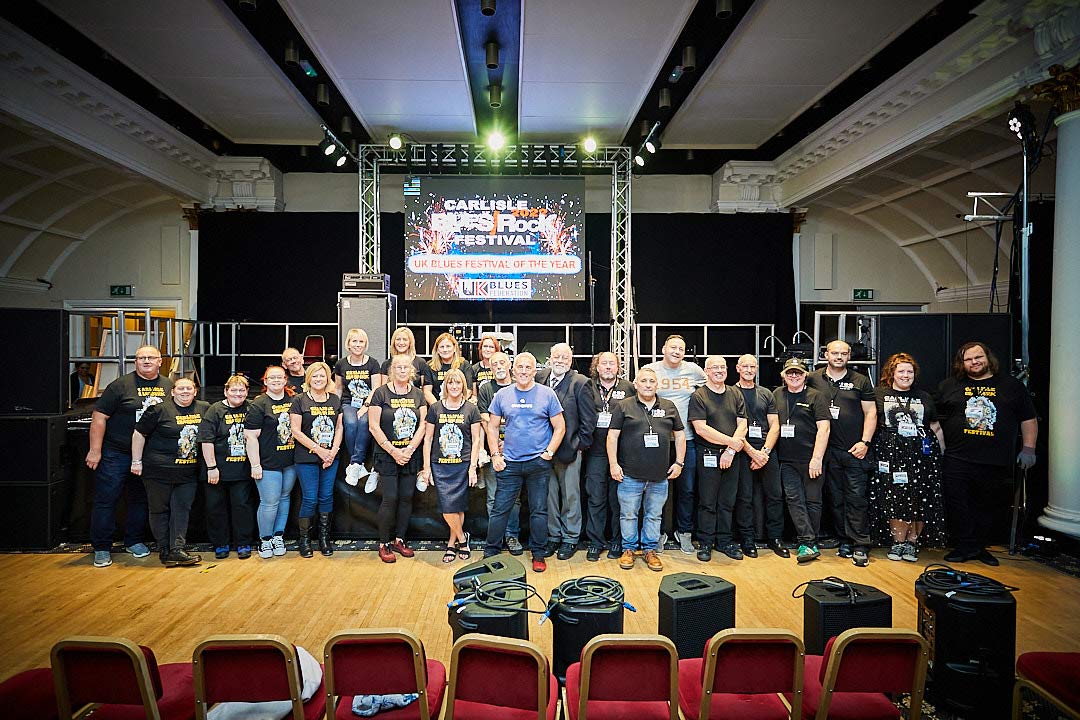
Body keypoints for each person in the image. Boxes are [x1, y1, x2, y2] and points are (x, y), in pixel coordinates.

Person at [936, 341, 1038, 566]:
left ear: (988, 358)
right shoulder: (949, 386)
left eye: (978, 357)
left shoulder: (1010, 386)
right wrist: (940, 446)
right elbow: (935, 418)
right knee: (957, 504)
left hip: (994, 459)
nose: (974, 362)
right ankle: (964, 546)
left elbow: (1028, 418)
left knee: (987, 505)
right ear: (962, 363)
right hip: (956, 458)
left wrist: (1029, 449)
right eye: (969, 359)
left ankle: (980, 547)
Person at [84, 344, 172, 568]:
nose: (146, 361)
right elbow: (99, 417)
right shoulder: (120, 385)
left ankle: (134, 541)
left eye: (151, 357)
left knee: (139, 499)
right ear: (135, 362)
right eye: (141, 357)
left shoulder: (168, 386)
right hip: (117, 452)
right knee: (106, 499)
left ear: (160, 361)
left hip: (148, 455)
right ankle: (102, 547)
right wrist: (95, 450)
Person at [483, 352, 565, 573]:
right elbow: (491, 426)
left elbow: (560, 426)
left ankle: (538, 554)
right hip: (509, 462)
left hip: (538, 463)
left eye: (528, 367)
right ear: (513, 369)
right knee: (501, 509)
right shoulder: (502, 394)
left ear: (534, 370)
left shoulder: (547, 394)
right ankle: (491, 552)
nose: (524, 371)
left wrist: (549, 452)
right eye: (520, 367)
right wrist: (494, 455)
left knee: (539, 510)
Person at [805, 340, 877, 567]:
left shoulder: (860, 380)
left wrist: (865, 442)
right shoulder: (813, 378)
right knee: (835, 499)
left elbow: (871, 413)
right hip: (828, 451)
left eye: (843, 353)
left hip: (854, 449)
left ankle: (860, 543)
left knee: (856, 498)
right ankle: (843, 539)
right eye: (834, 353)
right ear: (826, 355)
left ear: (849, 356)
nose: (838, 357)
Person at [607, 366, 686, 573]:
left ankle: (650, 550)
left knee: (654, 515)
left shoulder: (669, 406)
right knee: (628, 515)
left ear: (657, 384)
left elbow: (679, 435)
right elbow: (612, 436)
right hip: (629, 474)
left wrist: (679, 462)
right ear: (636, 384)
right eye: (644, 381)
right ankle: (629, 550)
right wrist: (613, 464)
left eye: (652, 381)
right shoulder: (624, 406)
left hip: (660, 476)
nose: (648, 385)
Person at [871, 353, 946, 563]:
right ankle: (897, 542)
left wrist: (941, 453)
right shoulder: (879, 394)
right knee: (894, 497)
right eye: (901, 371)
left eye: (910, 371)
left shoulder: (924, 397)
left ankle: (912, 542)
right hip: (890, 453)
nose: (906, 375)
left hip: (921, 455)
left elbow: (935, 426)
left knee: (920, 498)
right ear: (892, 373)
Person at [130, 377, 208, 567]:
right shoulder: (159, 409)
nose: (185, 392)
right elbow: (139, 433)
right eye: (180, 388)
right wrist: (136, 461)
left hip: (188, 472)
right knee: (159, 510)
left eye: (189, 388)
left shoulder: (204, 408)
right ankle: (164, 549)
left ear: (195, 391)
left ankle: (177, 549)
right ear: (172, 392)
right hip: (158, 470)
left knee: (182, 509)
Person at [536, 343, 597, 561]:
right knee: (549, 496)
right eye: (556, 356)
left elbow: (589, 421)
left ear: (570, 361)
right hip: (542, 451)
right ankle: (554, 536)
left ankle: (570, 538)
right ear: (549, 358)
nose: (560, 360)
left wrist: (579, 445)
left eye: (565, 358)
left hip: (569, 451)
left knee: (570, 496)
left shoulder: (581, 383)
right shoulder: (539, 378)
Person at [645, 334, 705, 554]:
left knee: (687, 490)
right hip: (657, 442)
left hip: (686, 439)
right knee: (657, 490)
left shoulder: (694, 371)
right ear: (663, 349)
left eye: (681, 348)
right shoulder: (651, 370)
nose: (677, 351)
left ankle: (684, 532)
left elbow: (710, 391)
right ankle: (658, 533)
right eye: (673, 347)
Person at [688, 356, 749, 561]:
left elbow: (743, 424)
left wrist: (730, 451)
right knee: (707, 502)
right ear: (706, 371)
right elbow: (701, 429)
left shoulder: (735, 393)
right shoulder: (699, 396)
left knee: (727, 501)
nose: (719, 371)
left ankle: (724, 541)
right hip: (708, 456)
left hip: (732, 457)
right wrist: (731, 443)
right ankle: (705, 542)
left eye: (722, 367)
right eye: (714, 367)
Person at [368, 354, 428, 563]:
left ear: (411, 371)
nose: (402, 370)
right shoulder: (380, 393)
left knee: (405, 498)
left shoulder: (418, 394)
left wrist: (410, 448)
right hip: (387, 455)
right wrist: (393, 451)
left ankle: (399, 540)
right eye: (398, 367)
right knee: (390, 498)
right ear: (392, 370)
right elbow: (373, 425)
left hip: (410, 454)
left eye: (406, 367)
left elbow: (423, 425)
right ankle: (384, 543)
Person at [421, 368, 482, 564]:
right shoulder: (436, 408)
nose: (454, 386)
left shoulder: (471, 409)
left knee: (458, 507)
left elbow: (476, 439)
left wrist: (473, 467)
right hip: (440, 466)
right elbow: (428, 439)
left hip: (462, 465)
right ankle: (463, 538)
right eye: (450, 383)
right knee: (448, 507)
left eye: (458, 383)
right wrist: (426, 467)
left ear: (463, 386)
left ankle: (451, 542)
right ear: (445, 386)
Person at [773, 358, 831, 563]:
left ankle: (809, 542)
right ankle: (808, 541)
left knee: (813, 501)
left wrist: (816, 458)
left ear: (805, 375)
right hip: (786, 460)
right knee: (793, 500)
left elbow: (824, 429)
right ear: (783, 375)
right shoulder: (777, 395)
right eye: (790, 373)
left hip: (811, 459)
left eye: (798, 373)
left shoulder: (817, 397)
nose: (794, 376)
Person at [583, 351, 635, 561]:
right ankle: (595, 542)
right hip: (594, 452)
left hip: (621, 453)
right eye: (603, 363)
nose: (607, 367)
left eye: (611, 364)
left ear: (618, 367)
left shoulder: (628, 388)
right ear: (597, 366)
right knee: (595, 498)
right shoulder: (587, 386)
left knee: (617, 499)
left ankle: (617, 541)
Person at [289, 362, 343, 558]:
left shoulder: (335, 400)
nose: (319, 379)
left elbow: (339, 427)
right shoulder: (299, 401)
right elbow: (295, 431)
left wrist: (333, 452)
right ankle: (304, 540)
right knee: (310, 498)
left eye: (322, 376)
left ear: (328, 378)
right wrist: (319, 451)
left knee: (326, 496)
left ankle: (324, 539)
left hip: (331, 457)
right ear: (308, 378)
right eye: (315, 376)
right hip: (306, 457)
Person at [198, 374, 255, 560]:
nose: (238, 394)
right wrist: (211, 467)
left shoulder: (251, 408)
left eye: (242, 390)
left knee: (242, 507)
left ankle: (243, 543)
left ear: (247, 392)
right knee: (216, 508)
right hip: (217, 470)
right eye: (234, 390)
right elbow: (206, 440)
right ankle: (221, 543)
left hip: (242, 470)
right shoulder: (215, 410)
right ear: (226, 391)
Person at [244, 366, 297, 559]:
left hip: (290, 461)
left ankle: (278, 536)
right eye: (271, 378)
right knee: (269, 502)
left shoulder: (293, 400)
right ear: (265, 382)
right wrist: (255, 465)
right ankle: (265, 540)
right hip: (268, 463)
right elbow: (250, 437)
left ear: (285, 380)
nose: (276, 380)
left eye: (279, 377)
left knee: (284, 498)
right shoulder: (259, 404)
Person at [476, 351, 523, 554]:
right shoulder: (486, 388)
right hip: (493, 449)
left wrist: (509, 440)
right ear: (490, 367)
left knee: (515, 498)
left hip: (516, 451)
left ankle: (512, 536)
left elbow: (522, 419)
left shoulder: (519, 386)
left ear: (510, 364)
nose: (499, 367)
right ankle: (496, 537)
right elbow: (485, 419)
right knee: (493, 496)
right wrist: (496, 443)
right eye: (494, 364)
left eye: (502, 362)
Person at [334, 328, 384, 486]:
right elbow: (338, 388)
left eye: (361, 341)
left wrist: (366, 406)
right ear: (348, 344)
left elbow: (376, 388)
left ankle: (355, 463)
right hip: (349, 402)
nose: (357, 344)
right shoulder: (341, 364)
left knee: (364, 422)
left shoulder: (373, 363)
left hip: (369, 403)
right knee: (350, 423)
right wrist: (336, 408)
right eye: (354, 341)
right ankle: (357, 464)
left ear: (365, 344)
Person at [424, 332, 475, 407]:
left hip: (459, 408)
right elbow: (427, 392)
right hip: (437, 408)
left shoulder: (464, 364)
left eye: (448, 346)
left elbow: (468, 390)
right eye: (442, 347)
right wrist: (438, 408)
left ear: (454, 348)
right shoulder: (430, 366)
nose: (445, 350)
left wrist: (457, 406)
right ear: (437, 350)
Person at [382, 327, 435, 392]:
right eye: (398, 339)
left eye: (405, 339)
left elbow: (425, 391)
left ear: (410, 342)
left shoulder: (421, 363)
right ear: (393, 342)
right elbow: (383, 391)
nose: (401, 343)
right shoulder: (386, 364)